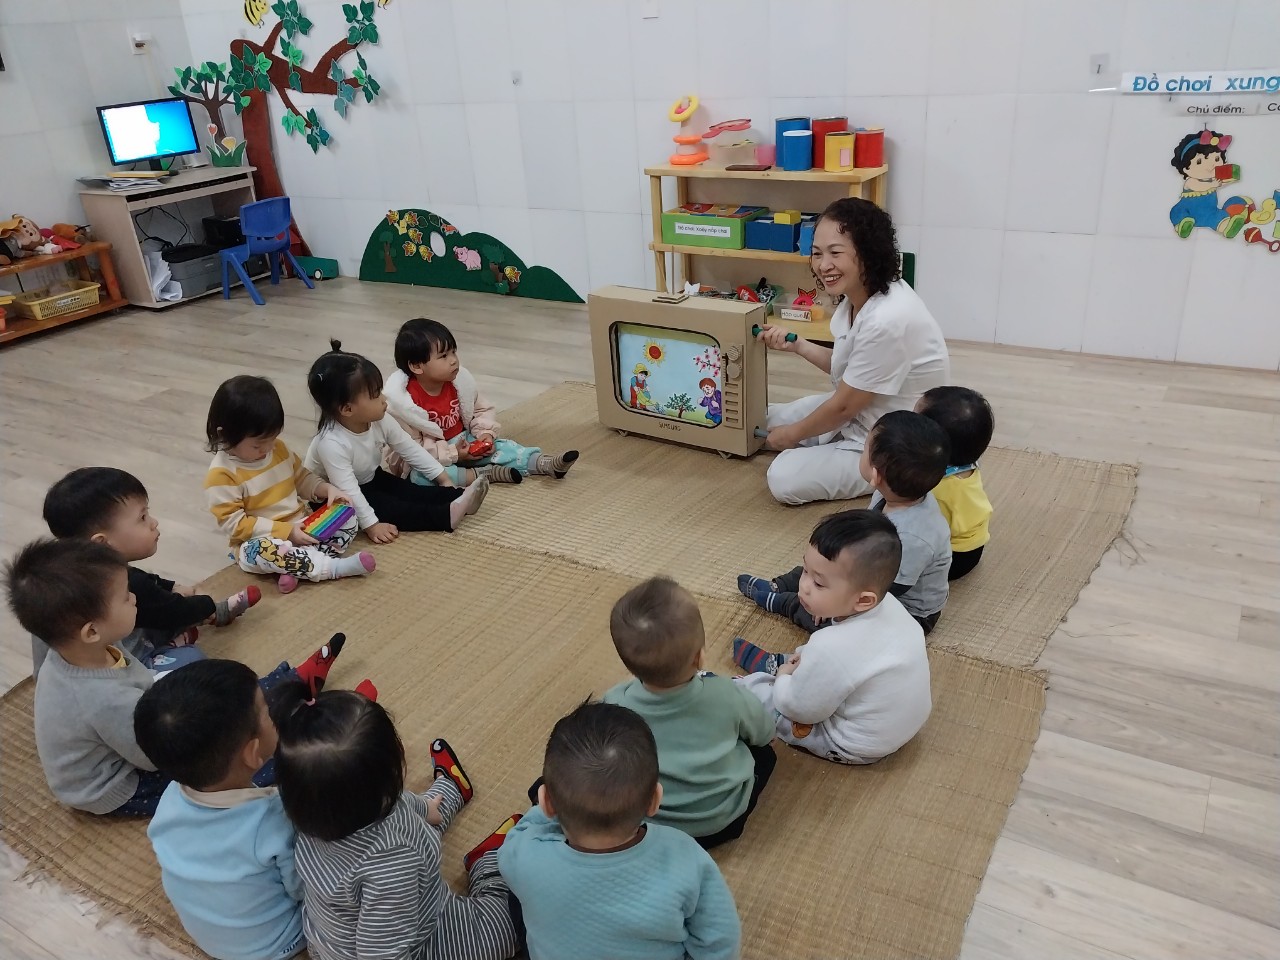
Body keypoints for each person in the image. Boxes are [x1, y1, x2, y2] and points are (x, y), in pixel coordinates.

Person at [4, 538, 346, 817]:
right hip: (121, 783)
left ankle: (289, 685)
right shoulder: (102, 700)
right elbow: (156, 755)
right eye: (125, 597)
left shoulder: (82, 649)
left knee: (214, 696)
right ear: (91, 631)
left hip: (137, 725)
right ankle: (321, 752)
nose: (135, 598)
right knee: (229, 770)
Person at [274, 687, 521, 960]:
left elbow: (399, 805)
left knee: (422, 813)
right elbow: (380, 954)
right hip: (422, 941)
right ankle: (487, 865)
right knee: (511, 923)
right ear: (393, 770)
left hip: (327, 939)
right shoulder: (392, 866)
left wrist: (426, 808)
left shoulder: (316, 810)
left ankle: (449, 791)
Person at [498, 701, 741, 960]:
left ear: (547, 802)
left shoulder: (523, 856)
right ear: (654, 800)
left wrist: (546, 806)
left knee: (517, 892)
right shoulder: (684, 854)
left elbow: (518, 835)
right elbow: (721, 940)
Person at [756, 197, 950, 504]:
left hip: (895, 438)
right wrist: (799, 345)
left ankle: (898, 478)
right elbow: (848, 372)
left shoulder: (887, 318)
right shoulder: (858, 297)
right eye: (817, 253)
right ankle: (822, 444)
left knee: (783, 477)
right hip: (861, 411)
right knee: (762, 419)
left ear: (867, 253)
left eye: (835, 253)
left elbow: (843, 407)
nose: (823, 265)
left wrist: (791, 435)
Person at [135, 660, 308, 960]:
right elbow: (304, 888)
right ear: (253, 753)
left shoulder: (171, 796)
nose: (273, 711)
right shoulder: (273, 817)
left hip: (214, 940)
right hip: (275, 945)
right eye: (266, 710)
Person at [730, 510, 932, 765]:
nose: (804, 586)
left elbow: (799, 709)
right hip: (894, 723)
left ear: (862, 600)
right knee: (820, 664)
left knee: (752, 694)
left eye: (819, 583)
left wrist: (782, 681)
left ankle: (775, 674)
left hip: (850, 742)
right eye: (805, 570)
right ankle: (795, 670)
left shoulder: (830, 648)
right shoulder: (890, 606)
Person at [740, 411, 951, 635]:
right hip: (873, 577)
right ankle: (780, 586)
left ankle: (785, 603)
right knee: (823, 570)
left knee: (829, 617)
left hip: (907, 613)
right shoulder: (896, 494)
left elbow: (889, 590)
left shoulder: (912, 536)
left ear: (875, 475)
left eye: (865, 448)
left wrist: (838, 608)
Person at [35, 467, 260, 677]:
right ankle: (207, 620)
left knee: (155, 609)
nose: (154, 523)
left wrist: (171, 587)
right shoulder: (119, 584)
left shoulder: (74, 569)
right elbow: (172, 610)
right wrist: (206, 603)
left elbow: (145, 582)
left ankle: (182, 633)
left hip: (89, 654)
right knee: (192, 658)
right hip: (122, 667)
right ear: (102, 543)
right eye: (142, 518)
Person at [602, 577, 775, 849]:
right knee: (766, 755)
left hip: (652, 824)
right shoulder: (725, 694)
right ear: (699, 658)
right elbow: (765, 733)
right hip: (722, 821)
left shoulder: (613, 705)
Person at [303, 339, 489, 545]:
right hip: (333, 499)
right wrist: (372, 525)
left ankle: (457, 497)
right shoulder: (331, 443)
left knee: (408, 490)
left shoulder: (379, 419)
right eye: (375, 395)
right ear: (347, 409)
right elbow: (349, 491)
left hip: (369, 477)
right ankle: (445, 516)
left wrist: (443, 478)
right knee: (392, 507)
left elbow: (409, 448)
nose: (384, 399)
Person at [205, 375, 375, 595]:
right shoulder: (222, 475)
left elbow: (301, 478)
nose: (267, 449)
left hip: (302, 526)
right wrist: (285, 532)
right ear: (224, 434)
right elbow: (236, 525)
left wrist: (327, 489)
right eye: (257, 445)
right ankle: (333, 568)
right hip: (261, 540)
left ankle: (300, 566)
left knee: (348, 512)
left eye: (272, 439)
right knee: (266, 551)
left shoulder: (277, 449)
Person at [385, 317, 579, 485]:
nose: (453, 360)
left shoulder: (459, 383)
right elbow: (412, 452)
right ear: (417, 366)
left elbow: (481, 410)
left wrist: (485, 434)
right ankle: (484, 474)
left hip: (464, 441)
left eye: (453, 352)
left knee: (504, 447)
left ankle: (544, 463)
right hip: (431, 456)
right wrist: (454, 454)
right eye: (443, 356)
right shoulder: (403, 405)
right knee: (421, 477)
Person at [916, 386, 994, 580]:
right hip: (973, 545)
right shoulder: (965, 463)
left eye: (914, 420)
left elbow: (922, 531)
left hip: (954, 557)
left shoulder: (936, 488)